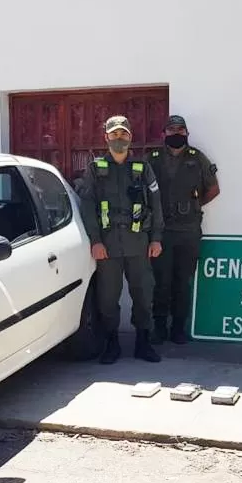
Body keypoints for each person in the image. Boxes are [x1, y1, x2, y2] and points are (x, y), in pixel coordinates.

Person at [78, 115, 164, 364]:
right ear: (106, 138)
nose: (119, 139)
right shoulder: (95, 170)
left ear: (130, 137)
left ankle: (143, 343)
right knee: (107, 297)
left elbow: (156, 205)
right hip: (108, 246)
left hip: (139, 243)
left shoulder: (142, 168)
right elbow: (87, 206)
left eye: (123, 134)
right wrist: (95, 241)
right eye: (114, 134)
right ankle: (112, 344)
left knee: (143, 293)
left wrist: (156, 238)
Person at [145, 115, 220, 345]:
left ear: (186, 133)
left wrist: (194, 207)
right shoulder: (152, 159)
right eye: (171, 130)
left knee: (182, 282)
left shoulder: (197, 159)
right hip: (162, 232)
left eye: (180, 130)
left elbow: (214, 189)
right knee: (161, 282)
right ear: (163, 134)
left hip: (188, 231)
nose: (176, 134)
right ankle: (159, 328)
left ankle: (178, 328)